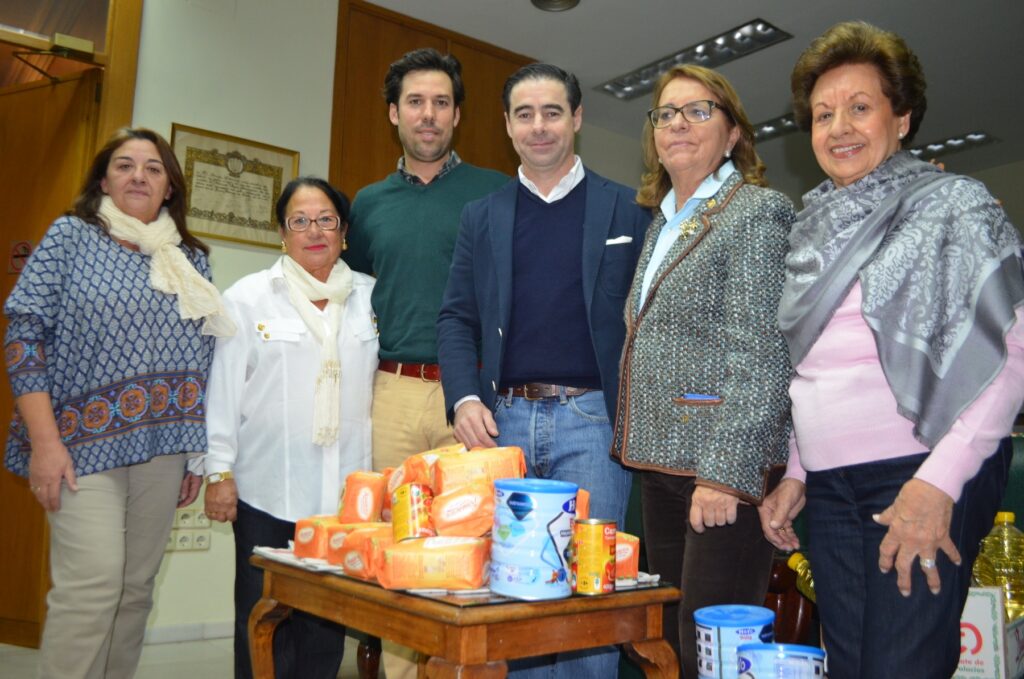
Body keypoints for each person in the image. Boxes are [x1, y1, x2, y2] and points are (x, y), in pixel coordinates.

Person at [759, 21, 1024, 679]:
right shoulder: (807, 232)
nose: (838, 126)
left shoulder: (952, 204)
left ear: (901, 117)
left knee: (902, 666)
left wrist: (940, 480)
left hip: (919, 470)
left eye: (860, 106)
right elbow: (812, 367)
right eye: (823, 114)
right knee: (849, 664)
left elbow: (1010, 353)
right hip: (829, 485)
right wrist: (796, 470)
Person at [437, 63, 649, 678]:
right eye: (524, 114)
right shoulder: (483, 215)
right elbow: (456, 318)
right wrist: (463, 399)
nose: (539, 127)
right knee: (523, 600)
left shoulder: (628, 210)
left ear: (577, 119)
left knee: (587, 601)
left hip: (593, 423)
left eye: (552, 112)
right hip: (505, 425)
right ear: (505, 125)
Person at [3, 127, 230, 679]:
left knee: (134, 590)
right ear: (103, 179)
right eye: (125, 165)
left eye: (153, 169)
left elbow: (205, 361)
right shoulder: (71, 237)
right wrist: (45, 444)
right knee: (94, 584)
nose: (139, 176)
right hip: (79, 443)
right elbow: (22, 331)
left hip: (163, 450)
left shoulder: (190, 261)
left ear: (169, 188)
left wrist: (193, 456)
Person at [609, 64, 795, 676]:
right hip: (661, 462)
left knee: (712, 649)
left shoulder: (757, 212)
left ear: (734, 133)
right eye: (666, 114)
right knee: (666, 641)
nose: (678, 125)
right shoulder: (662, 220)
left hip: (721, 471)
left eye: (698, 111)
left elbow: (763, 350)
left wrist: (725, 474)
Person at [203, 177, 378, 679]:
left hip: (344, 499)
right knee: (262, 622)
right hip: (267, 491)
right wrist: (219, 473)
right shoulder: (248, 298)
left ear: (344, 232)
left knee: (325, 629)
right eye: (299, 221)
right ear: (281, 233)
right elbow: (224, 392)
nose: (313, 231)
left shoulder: (370, 297)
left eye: (326, 220)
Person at [344, 47, 507, 473]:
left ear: (456, 115)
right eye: (416, 102)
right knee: (389, 524)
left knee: (472, 528)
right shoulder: (368, 204)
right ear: (395, 113)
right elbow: (355, 294)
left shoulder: (499, 194)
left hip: (474, 394)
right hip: (390, 392)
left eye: (441, 102)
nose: (429, 114)